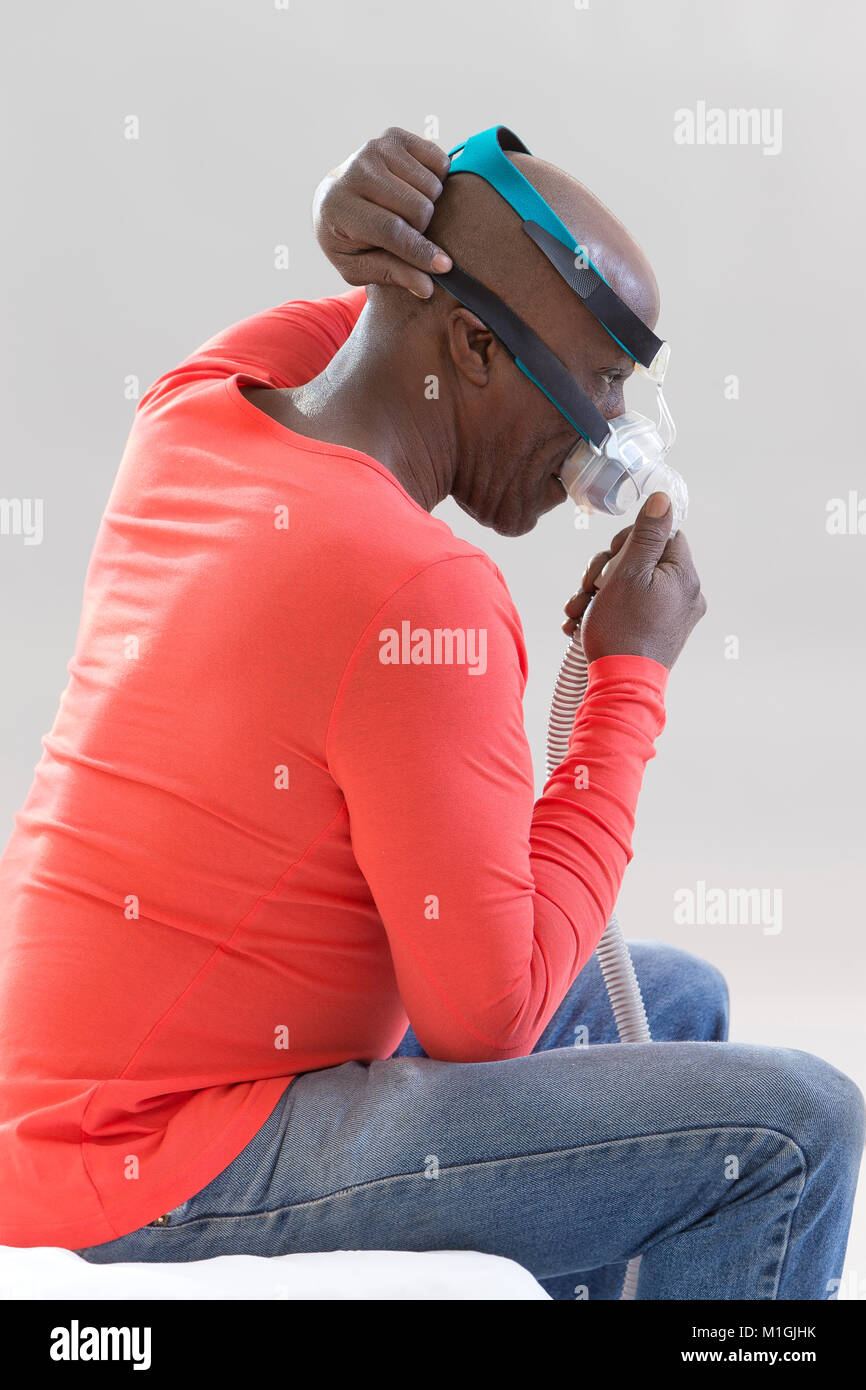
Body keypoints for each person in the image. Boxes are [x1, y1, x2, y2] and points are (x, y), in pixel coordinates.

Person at [0, 127, 861, 1301]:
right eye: (602, 381)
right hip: (158, 1158)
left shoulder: (193, 410)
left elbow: (371, 325)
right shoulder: (414, 590)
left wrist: (356, 226)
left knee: (672, 1005)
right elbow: (488, 1021)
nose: (610, 437)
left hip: (50, 1101)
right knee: (794, 1130)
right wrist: (625, 683)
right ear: (467, 346)